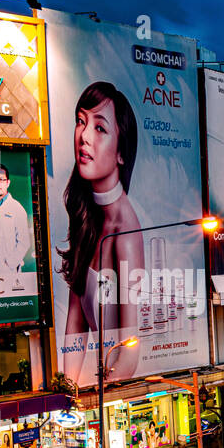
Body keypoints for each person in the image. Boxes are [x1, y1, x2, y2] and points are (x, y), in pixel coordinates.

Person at [57, 81, 144, 386]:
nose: (84, 137)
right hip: (94, 389)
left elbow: (130, 353)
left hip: (115, 390)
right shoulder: (86, 218)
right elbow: (76, 324)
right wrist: (68, 390)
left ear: (121, 153)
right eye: (81, 122)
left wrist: (100, 394)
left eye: (100, 128)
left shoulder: (126, 230)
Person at [0, 164, 29, 274]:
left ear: (8, 182)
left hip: (9, 270)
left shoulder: (17, 208)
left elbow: (24, 242)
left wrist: (8, 264)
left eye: (1, 180)